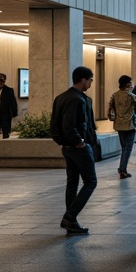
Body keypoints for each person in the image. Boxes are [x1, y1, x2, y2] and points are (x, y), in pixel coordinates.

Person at [51, 66, 98, 235]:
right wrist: (80, 142)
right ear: (83, 79)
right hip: (78, 148)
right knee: (91, 182)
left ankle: (72, 222)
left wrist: (63, 142)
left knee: (72, 182)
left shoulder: (61, 97)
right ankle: (70, 216)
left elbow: (54, 126)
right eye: (90, 80)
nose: (91, 83)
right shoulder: (77, 99)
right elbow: (69, 125)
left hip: (67, 147)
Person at [109, 75, 136, 179]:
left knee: (124, 147)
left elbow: (111, 107)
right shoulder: (131, 96)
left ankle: (122, 168)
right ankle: (122, 169)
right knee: (127, 148)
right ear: (128, 84)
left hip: (118, 125)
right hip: (129, 125)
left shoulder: (115, 95)